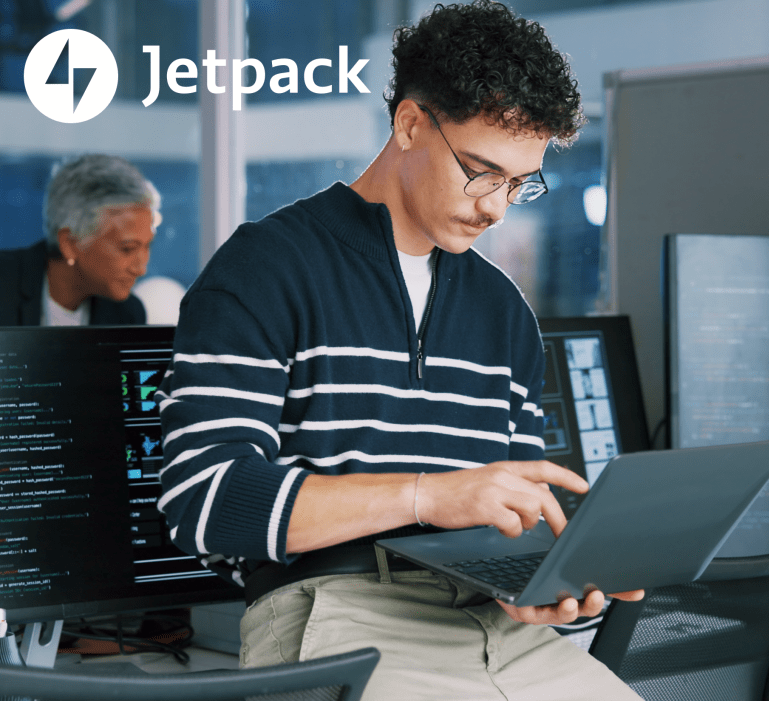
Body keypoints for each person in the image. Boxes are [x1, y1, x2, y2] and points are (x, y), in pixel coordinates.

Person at [157, 2, 643, 699]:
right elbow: (202, 498)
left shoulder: (505, 314)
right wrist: (427, 494)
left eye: (519, 183)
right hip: (340, 611)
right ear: (411, 124)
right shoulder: (264, 268)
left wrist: (538, 582)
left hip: (500, 629)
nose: (498, 207)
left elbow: (502, 519)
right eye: (482, 171)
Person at [0, 154, 159, 326]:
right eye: (128, 248)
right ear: (69, 244)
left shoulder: (127, 314)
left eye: (148, 245)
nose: (141, 269)